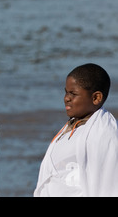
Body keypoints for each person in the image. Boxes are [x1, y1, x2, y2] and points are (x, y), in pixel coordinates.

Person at [34, 63, 118, 197]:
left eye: (73, 93)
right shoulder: (75, 124)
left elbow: (108, 187)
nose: (66, 98)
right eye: (66, 92)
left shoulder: (104, 135)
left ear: (96, 98)